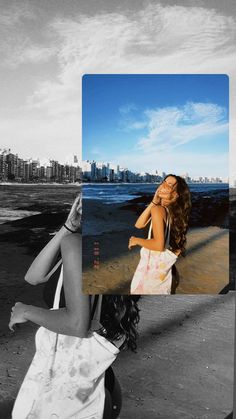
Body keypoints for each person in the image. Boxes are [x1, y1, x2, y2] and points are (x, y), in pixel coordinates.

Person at [9, 194, 140, 419]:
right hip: (89, 383)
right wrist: (68, 228)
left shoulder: (77, 246)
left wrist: (26, 311)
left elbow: (76, 323)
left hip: (67, 382)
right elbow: (34, 276)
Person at [129, 174, 191, 294]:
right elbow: (139, 224)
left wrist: (136, 240)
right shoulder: (169, 212)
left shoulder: (159, 210)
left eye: (170, 185)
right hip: (167, 273)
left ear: (176, 194)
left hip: (153, 277)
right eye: (164, 181)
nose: (163, 185)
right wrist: (154, 201)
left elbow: (158, 245)